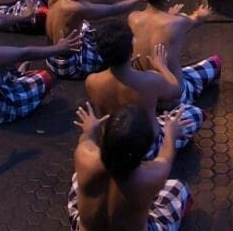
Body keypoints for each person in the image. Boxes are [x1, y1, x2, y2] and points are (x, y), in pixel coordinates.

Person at [68, 103, 192, 231]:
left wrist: (91, 128)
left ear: (105, 138)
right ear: (145, 150)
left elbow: (86, 139)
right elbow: (166, 155)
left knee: (77, 177)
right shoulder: (151, 176)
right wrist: (170, 134)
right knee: (180, 188)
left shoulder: (84, 156)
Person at [86, 22, 203, 156]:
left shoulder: (92, 81)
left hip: (113, 148)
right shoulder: (150, 80)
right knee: (195, 112)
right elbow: (177, 89)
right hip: (147, 148)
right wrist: (162, 66)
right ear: (131, 51)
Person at [128, 0, 219, 108]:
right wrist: (203, 14)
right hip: (172, 97)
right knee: (215, 63)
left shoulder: (133, 18)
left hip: (143, 93)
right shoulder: (178, 22)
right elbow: (196, 19)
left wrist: (168, 15)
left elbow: (156, 25)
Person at [44, 0, 145, 79]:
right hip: (66, 66)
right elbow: (113, 9)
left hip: (50, 55)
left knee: (85, 25)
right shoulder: (76, 8)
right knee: (114, 51)